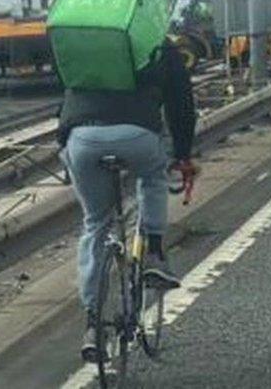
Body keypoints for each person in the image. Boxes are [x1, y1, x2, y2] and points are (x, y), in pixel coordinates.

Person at [59, 37, 198, 361]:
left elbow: (65, 93)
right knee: (152, 176)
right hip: (137, 135)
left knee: (96, 223)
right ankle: (153, 254)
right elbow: (181, 106)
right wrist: (183, 155)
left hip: (83, 137)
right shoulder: (157, 43)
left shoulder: (82, 38)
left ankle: (93, 324)